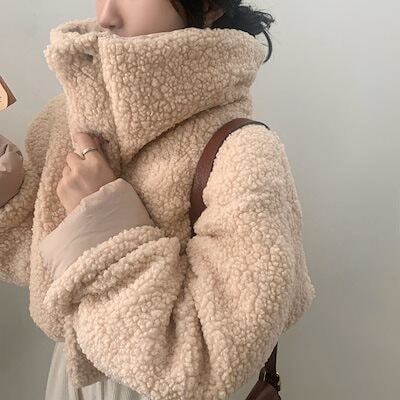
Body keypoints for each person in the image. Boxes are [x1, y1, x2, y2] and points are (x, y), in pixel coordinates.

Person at [0, 1, 316, 399]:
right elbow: (41, 270)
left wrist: (98, 222)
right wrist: (10, 195)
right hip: (68, 378)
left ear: (210, 6)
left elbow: (209, 358)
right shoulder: (64, 118)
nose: (106, 16)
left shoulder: (246, 153)